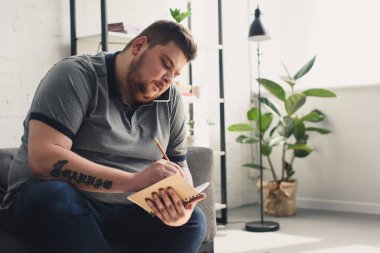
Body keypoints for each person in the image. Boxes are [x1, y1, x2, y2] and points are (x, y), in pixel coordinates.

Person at [1, 20, 207, 253]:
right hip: (50, 201)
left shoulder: (171, 100)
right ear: (139, 46)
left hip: (127, 211)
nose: (168, 79)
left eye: (175, 74)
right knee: (56, 195)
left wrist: (182, 207)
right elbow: (43, 160)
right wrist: (133, 181)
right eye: (165, 64)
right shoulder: (76, 75)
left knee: (194, 221)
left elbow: (180, 167)